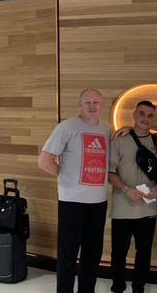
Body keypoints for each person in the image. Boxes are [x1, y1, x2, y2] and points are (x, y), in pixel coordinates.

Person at [38, 88, 111, 293]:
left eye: (96, 102)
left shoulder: (106, 129)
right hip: (72, 202)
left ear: (101, 105)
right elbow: (44, 160)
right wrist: (67, 177)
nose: (91, 106)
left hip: (98, 202)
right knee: (68, 255)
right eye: (87, 102)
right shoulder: (67, 127)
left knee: (92, 255)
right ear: (80, 105)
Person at [108, 100, 157, 293]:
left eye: (150, 115)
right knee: (118, 254)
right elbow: (109, 173)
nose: (145, 119)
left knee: (144, 253)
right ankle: (118, 287)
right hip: (122, 209)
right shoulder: (119, 139)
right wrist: (126, 189)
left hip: (148, 209)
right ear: (134, 115)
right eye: (142, 114)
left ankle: (139, 288)